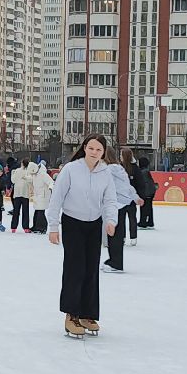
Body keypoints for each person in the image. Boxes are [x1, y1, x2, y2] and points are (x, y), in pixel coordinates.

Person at [46, 134, 124, 338]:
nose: (94, 152)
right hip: (73, 223)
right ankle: (71, 315)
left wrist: (111, 220)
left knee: (91, 269)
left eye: (98, 150)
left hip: (94, 224)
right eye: (91, 148)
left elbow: (110, 199)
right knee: (75, 269)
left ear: (103, 152)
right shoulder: (71, 169)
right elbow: (57, 198)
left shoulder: (105, 172)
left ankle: (87, 314)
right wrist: (53, 226)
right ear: (84, 148)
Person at [29, 161, 54, 235]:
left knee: (40, 212)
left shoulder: (43, 174)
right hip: (37, 195)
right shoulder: (35, 175)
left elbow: (51, 182)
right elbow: (30, 179)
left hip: (44, 195)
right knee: (37, 211)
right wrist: (24, 178)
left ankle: (42, 228)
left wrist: (50, 187)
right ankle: (35, 226)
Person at [9, 160, 35, 233]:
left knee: (16, 211)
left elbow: (13, 180)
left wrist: (12, 174)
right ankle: (25, 227)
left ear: (22, 164)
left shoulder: (18, 171)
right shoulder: (28, 172)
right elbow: (31, 180)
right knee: (25, 211)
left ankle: (14, 227)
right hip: (24, 193)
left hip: (18, 193)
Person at [135, 155, 158, 229]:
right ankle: (149, 222)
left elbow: (145, 183)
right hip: (149, 192)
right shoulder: (145, 171)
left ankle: (143, 223)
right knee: (148, 207)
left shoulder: (143, 172)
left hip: (147, 192)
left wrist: (143, 193)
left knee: (144, 208)